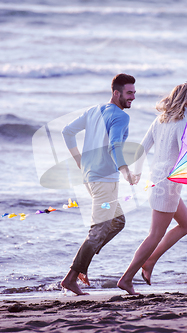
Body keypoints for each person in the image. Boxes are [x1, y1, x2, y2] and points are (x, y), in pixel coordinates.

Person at [117, 82, 187, 295]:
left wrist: (138, 173)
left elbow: (142, 148)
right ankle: (126, 278)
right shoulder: (185, 120)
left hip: (159, 179)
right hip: (168, 184)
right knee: (154, 235)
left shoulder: (160, 119)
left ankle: (150, 261)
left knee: (186, 224)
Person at [61, 73, 136, 295]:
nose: (133, 97)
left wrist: (78, 159)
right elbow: (115, 145)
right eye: (129, 93)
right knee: (100, 228)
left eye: (134, 92)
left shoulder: (94, 110)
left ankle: (83, 264)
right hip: (104, 181)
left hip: (91, 178)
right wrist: (125, 170)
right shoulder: (121, 117)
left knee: (117, 221)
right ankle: (72, 277)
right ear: (116, 93)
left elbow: (67, 131)